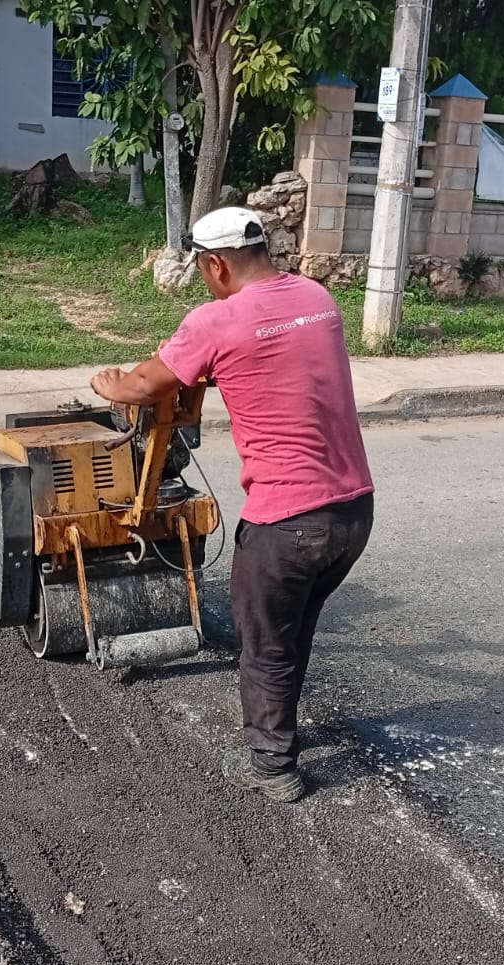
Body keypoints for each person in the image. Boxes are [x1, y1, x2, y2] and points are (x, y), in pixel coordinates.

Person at [89, 207, 374, 803]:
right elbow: (276, 358)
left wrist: (109, 383)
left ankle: (274, 766)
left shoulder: (216, 322)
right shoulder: (318, 299)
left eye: (200, 268)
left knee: (264, 641)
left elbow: (144, 386)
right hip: (352, 513)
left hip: (287, 522)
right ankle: (282, 728)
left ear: (214, 264)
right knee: (293, 629)